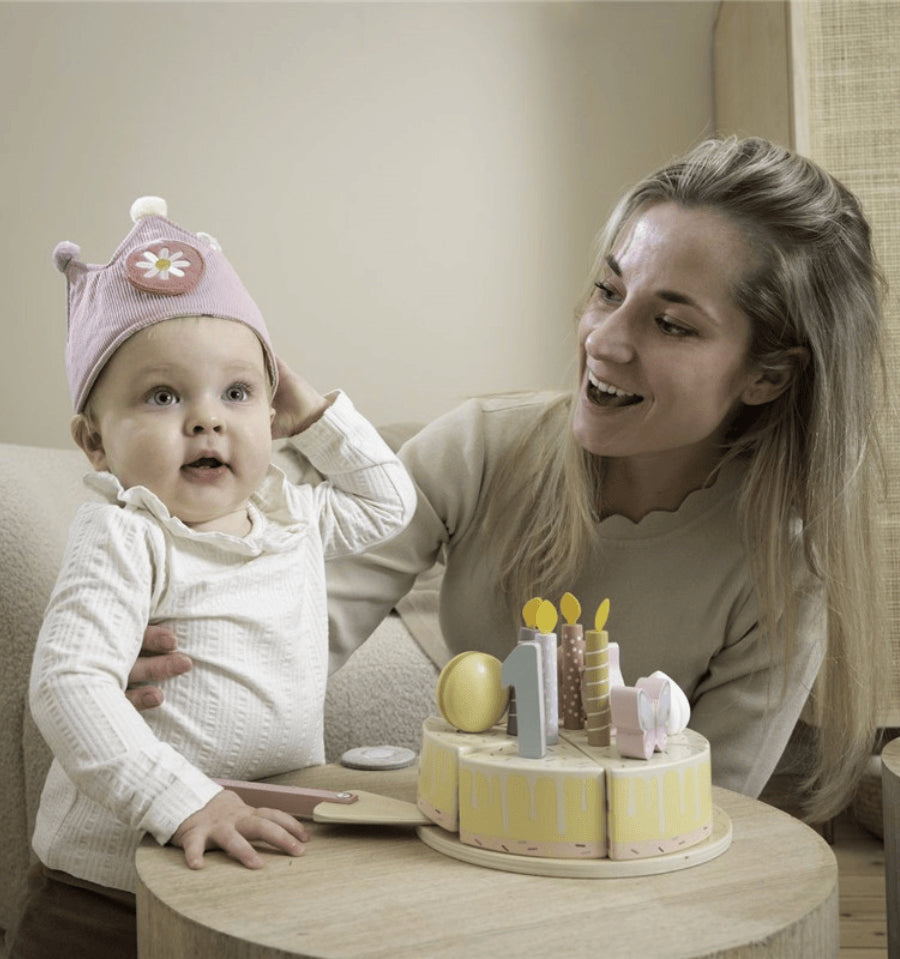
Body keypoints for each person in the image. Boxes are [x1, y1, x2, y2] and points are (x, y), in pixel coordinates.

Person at [130, 136, 887, 826]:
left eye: (673, 324)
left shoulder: (781, 582)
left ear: (767, 374)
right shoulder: (482, 447)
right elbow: (293, 628)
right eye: (608, 290)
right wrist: (185, 671)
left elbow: (697, 818)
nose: (606, 340)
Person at [12, 197, 416, 959]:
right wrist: (182, 797)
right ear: (94, 443)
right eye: (164, 396)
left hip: (246, 863)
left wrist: (317, 415)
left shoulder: (291, 517)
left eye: (238, 392)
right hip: (105, 892)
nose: (208, 419)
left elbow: (387, 500)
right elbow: (68, 683)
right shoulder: (127, 531)